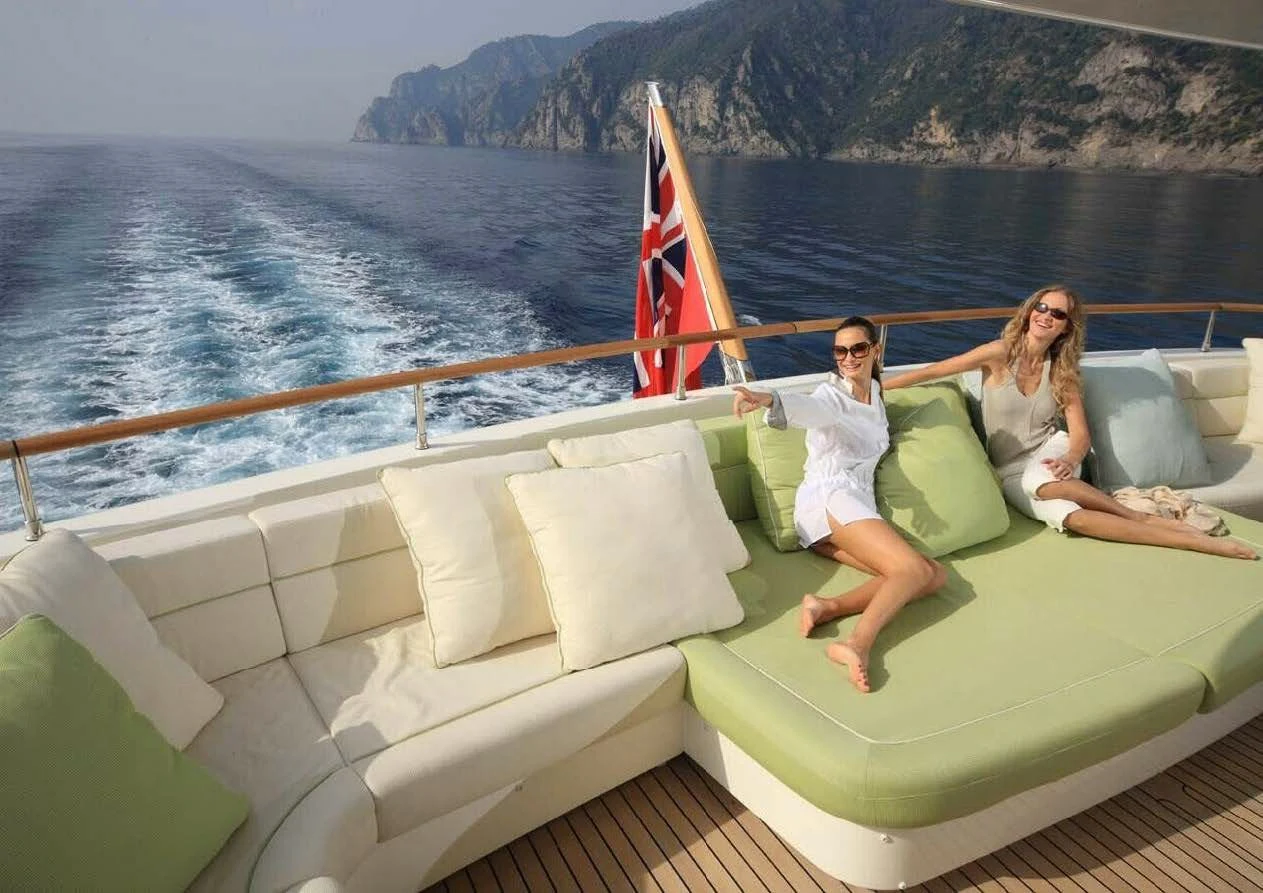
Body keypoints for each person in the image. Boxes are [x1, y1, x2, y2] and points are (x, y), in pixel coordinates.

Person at [882, 285, 1255, 560]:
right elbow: (932, 371)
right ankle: (1170, 532)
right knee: (1071, 519)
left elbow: (1079, 435)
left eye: (1057, 314)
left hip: (1053, 449)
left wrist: (1071, 458)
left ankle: (1185, 538)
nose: (1045, 316)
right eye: (1041, 307)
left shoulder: (1062, 371)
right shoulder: (998, 354)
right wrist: (872, 388)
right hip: (1009, 469)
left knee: (1040, 480)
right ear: (1029, 312)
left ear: (1065, 327)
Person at [733, 316, 948, 693]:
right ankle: (856, 644)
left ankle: (826, 607)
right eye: (840, 351)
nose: (848, 358)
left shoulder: (875, 394)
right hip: (830, 498)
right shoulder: (833, 396)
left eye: (857, 349)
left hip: (854, 505)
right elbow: (810, 407)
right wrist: (767, 398)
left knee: (933, 576)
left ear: (875, 350)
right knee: (912, 569)